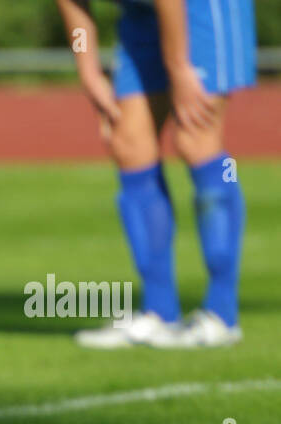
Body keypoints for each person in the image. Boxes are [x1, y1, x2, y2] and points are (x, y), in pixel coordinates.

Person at [56, 0, 254, 348]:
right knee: (128, 144)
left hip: (206, 9)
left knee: (195, 138)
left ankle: (222, 315)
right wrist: (87, 69)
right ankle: (160, 312)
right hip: (142, 13)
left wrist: (179, 68)